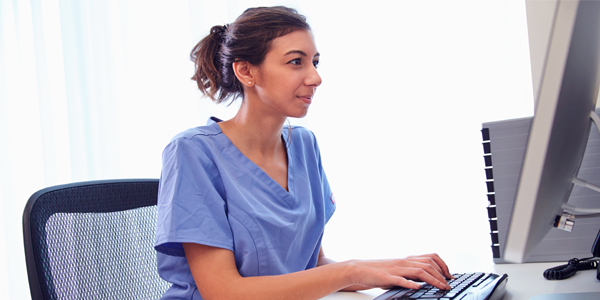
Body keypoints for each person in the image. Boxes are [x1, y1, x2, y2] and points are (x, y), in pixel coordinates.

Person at [154, 6, 453, 300]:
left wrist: (387, 271)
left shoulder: (304, 145)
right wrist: (351, 271)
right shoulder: (193, 153)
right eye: (296, 62)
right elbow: (224, 292)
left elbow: (312, 265)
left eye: (315, 62)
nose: (315, 78)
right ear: (246, 71)